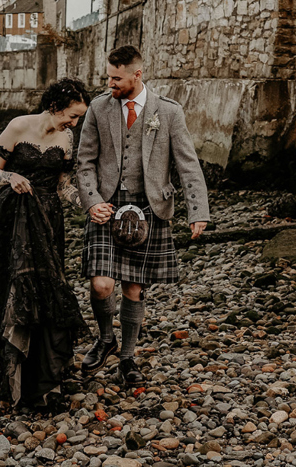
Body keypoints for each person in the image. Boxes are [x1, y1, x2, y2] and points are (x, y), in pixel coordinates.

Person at [77, 45, 211, 385]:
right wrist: (92, 201)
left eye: (117, 78)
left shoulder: (167, 112)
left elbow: (187, 164)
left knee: (134, 289)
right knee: (101, 284)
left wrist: (198, 211)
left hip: (150, 208)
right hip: (107, 208)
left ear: (138, 74)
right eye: (108, 76)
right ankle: (106, 339)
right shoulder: (98, 108)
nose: (110, 83)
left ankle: (128, 359)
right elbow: (84, 161)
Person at [0, 78, 90, 408]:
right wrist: (12, 177)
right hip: (14, 218)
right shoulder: (18, 126)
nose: (74, 123)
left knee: (48, 288)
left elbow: (64, 186)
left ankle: (43, 377)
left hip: (49, 220)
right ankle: (4, 373)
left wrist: (89, 205)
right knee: (10, 288)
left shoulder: (66, 138)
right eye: (72, 116)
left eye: (78, 118)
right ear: (55, 107)